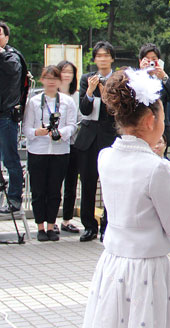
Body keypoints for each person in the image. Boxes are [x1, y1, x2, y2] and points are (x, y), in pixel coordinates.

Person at [82, 68, 170, 327]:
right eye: (161, 115)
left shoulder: (105, 156)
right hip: (147, 269)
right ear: (150, 120)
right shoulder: (156, 167)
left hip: (112, 263)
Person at [22, 65, 77, 241]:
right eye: (48, 78)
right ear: (42, 80)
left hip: (60, 150)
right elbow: (26, 128)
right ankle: (39, 226)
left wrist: (61, 133)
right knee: (38, 190)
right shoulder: (34, 101)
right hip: (37, 149)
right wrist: (36, 132)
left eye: (55, 78)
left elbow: (72, 125)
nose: (51, 82)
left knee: (55, 190)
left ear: (59, 81)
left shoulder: (68, 102)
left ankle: (52, 225)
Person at [74, 41, 117, 242]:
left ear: (112, 58)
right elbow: (84, 109)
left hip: (110, 137)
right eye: (98, 55)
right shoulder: (86, 79)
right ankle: (89, 226)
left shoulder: (118, 79)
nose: (102, 59)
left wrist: (105, 91)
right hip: (89, 137)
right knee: (89, 182)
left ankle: (107, 226)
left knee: (109, 183)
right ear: (94, 59)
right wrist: (90, 91)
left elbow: (117, 110)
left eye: (106, 55)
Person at [0, 21, 24, 214]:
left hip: (6, 116)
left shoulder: (11, 57)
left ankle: (15, 197)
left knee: (10, 158)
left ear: (6, 38)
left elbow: (12, 71)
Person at [138, 43, 170, 156]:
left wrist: (164, 77)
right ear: (140, 61)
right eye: (147, 59)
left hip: (161, 130)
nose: (150, 62)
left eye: (153, 59)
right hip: (143, 129)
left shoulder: (162, 78)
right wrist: (142, 73)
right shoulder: (137, 77)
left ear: (159, 61)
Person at [56, 60, 81, 234]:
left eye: (70, 72)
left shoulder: (77, 95)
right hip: (54, 145)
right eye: (63, 71)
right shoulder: (50, 94)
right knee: (54, 183)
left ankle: (66, 219)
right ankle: (51, 220)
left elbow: (82, 117)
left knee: (71, 183)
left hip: (73, 143)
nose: (67, 75)